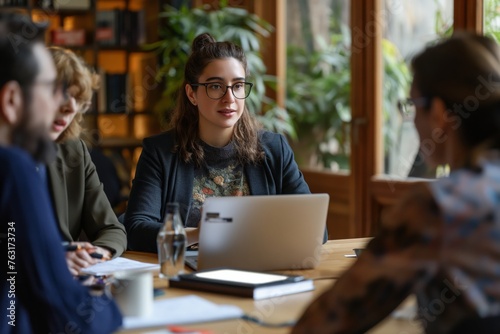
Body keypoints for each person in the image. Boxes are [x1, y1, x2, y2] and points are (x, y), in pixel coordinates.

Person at [292, 32, 500, 334]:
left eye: (413, 106)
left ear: (439, 114)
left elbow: (326, 323)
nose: (413, 120)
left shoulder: (438, 204)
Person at [124, 33, 325, 252]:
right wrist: (197, 234)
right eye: (215, 86)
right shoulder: (160, 152)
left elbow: (316, 230)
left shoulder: (274, 148)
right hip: (189, 269)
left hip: (262, 265)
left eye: (237, 86)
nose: (229, 98)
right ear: (192, 94)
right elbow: (136, 230)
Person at [0, 12, 122, 333]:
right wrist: (106, 303)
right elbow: (66, 312)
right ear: (12, 99)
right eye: (49, 90)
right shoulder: (14, 167)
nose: (65, 108)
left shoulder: (62, 154)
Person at [47, 46, 127, 275]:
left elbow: (112, 229)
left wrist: (98, 253)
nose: (70, 107)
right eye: (62, 93)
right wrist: (53, 259)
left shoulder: (74, 152)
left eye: (78, 98)